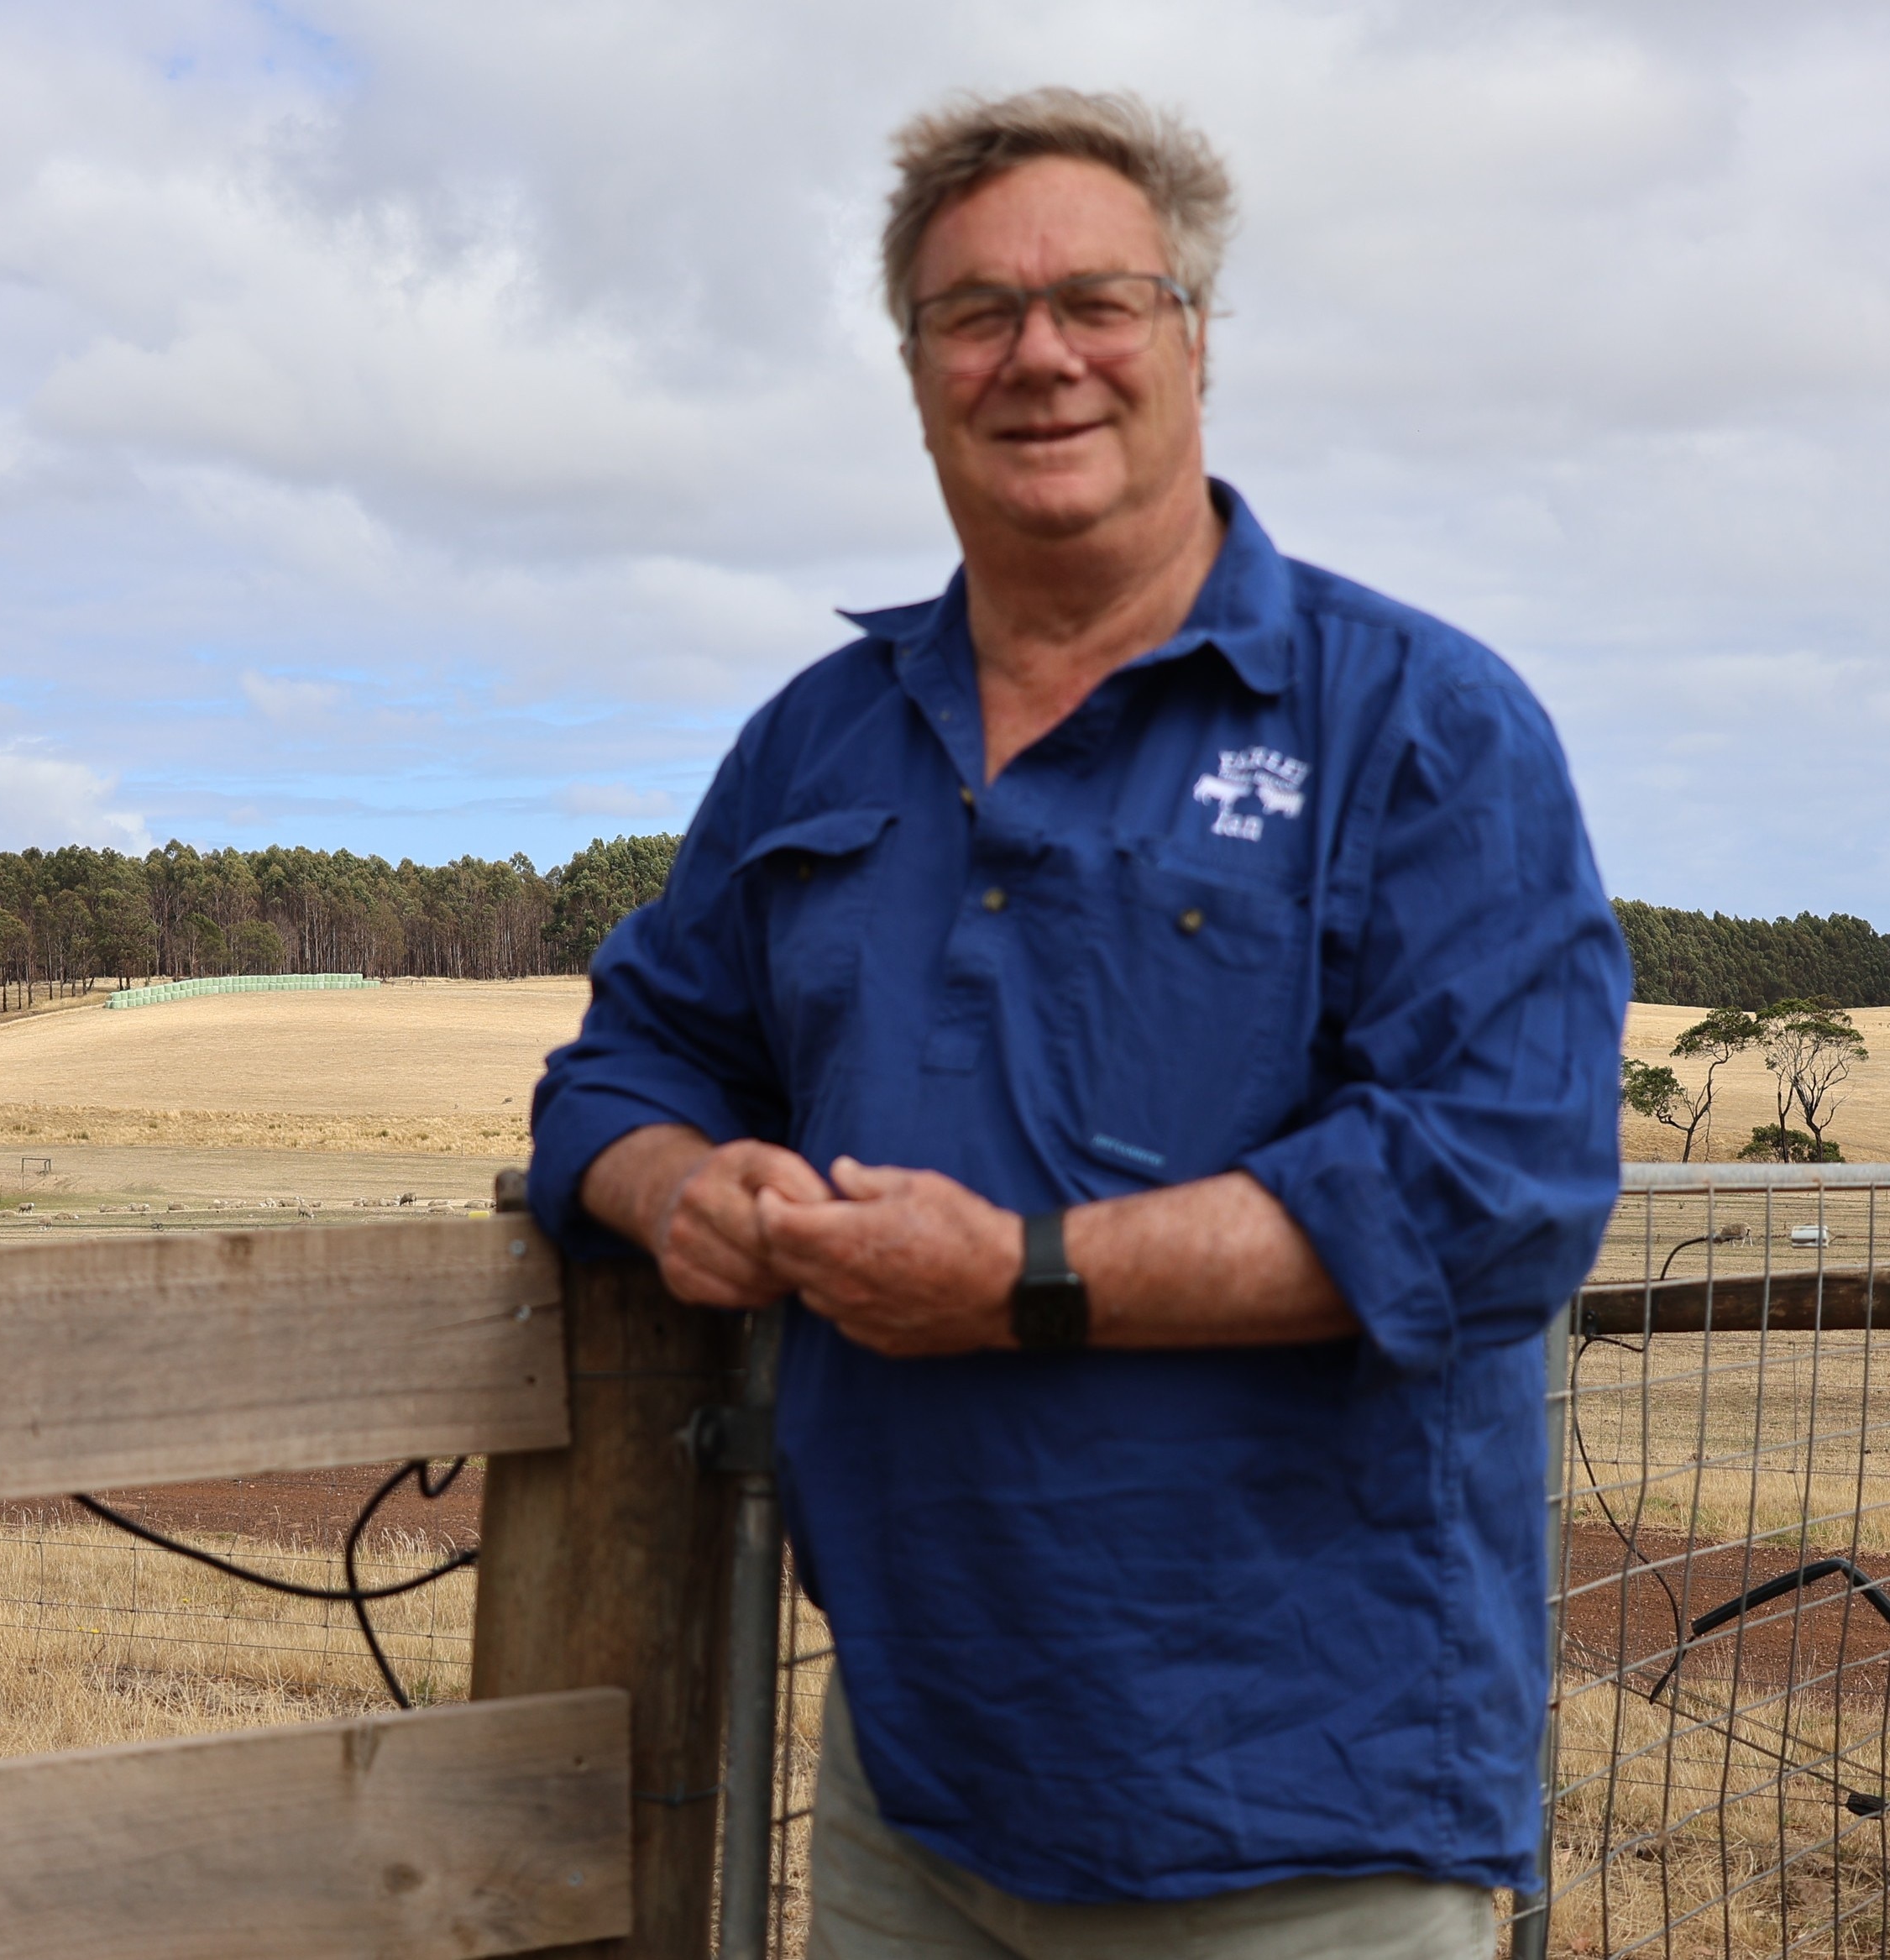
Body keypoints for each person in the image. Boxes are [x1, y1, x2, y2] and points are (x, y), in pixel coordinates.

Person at [526, 86, 1626, 1959]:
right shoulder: (822, 737)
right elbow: (625, 1063)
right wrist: (671, 1190)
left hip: (1303, 1815)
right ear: (914, 366)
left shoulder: (1421, 725)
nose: (1039, 356)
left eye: (1096, 302)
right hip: (916, 1780)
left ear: (1193, 333)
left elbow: (1492, 1188)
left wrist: (1026, 1277)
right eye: (975, 314)